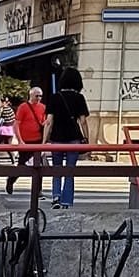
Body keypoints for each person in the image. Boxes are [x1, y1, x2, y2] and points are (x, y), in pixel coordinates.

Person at [42, 68, 89, 209]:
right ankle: (66, 201)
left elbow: (49, 121)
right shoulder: (79, 98)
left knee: (57, 169)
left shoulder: (55, 97)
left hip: (57, 138)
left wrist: (43, 142)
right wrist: (87, 138)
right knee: (70, 170)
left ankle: (56, 196)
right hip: (73, 139)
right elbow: (83, 121)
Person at [7, 86, 46, 196]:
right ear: (31, 95)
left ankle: (38, 190)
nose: (38, 98)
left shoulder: (43, 107)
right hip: (26, 141)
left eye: (40, 96)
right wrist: (20, 140)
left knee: (39, 166)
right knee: (22, 165)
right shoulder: (23, 107)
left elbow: (42, 122)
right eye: (36, 95)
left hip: (38, 140)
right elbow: (16, 124)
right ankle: (11, 180)